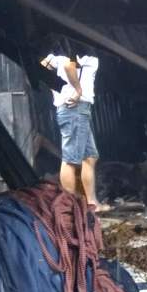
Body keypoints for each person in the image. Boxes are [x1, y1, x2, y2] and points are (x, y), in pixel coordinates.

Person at [43, 53, 106, 211]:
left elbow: (44, 64)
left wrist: (56, 89)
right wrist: (77, 90)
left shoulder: (58, 53)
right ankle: (69, 206)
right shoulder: (79, 49)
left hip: (79, 109)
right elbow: (69, 65)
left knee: (90, 156)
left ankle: (92, 203)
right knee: (70, 160)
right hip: (74, 108)